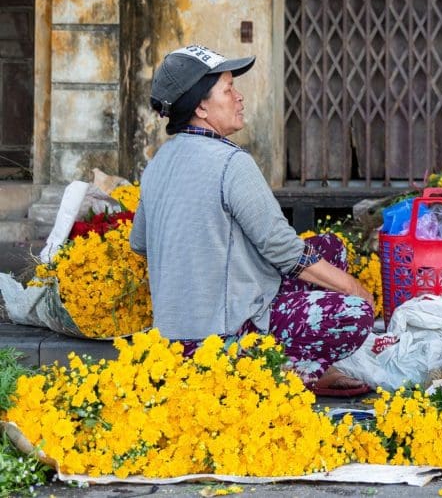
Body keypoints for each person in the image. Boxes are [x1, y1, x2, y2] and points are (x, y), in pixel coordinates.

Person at [129, 44, 374, 394]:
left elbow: (139, 243)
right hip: (226, 340)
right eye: (228, 90)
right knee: (353, 311)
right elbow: (283, 250)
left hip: (172, 341)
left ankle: (293, 365)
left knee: (330, 248)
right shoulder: (231, 163)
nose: (239, 98)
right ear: (201, 107)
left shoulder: (157, 164)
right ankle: (282, 372)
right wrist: (354, 288)